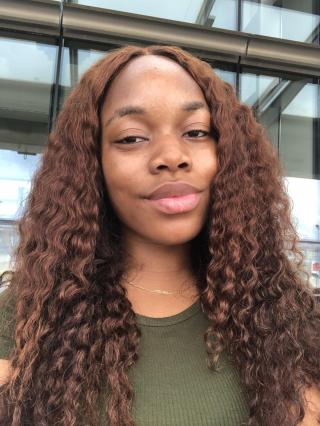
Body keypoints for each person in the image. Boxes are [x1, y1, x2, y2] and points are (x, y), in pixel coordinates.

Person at [0, 44, 319, 426]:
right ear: (92, 165)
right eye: (132, 137)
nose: (171, 155)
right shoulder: (28, 317)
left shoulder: (285, 314)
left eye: (197, 132)